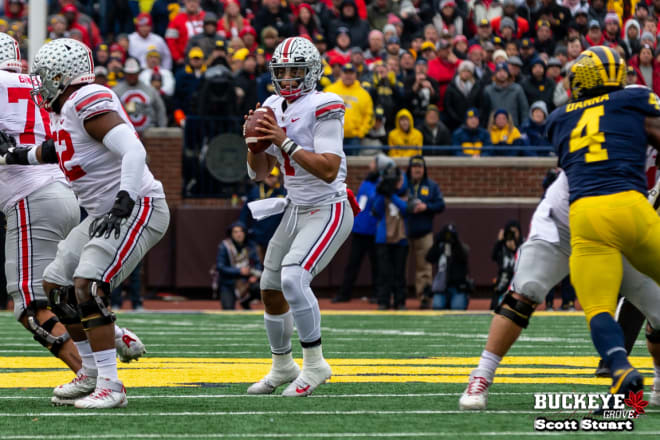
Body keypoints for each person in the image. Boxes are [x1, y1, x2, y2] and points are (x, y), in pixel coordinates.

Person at [0, 38, 170, 408]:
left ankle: (111, 384)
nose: (39, 84)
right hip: (100, 214)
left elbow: (134, 149)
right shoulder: (65, 113)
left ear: (62, 77)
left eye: (44, 77)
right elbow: (52, 151)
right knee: (55, 286)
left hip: (137, 206)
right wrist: (12, 155)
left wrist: (124, 199)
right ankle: (90, 372)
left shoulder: (86, 98)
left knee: (88, 285)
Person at [460, 168, 660, 410]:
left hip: (618, 231)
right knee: (527, 290)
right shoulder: (603, 133)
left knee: (658, 306)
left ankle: (658, 380)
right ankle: (481, 375)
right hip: (565, 222)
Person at [547, 46, 660, 401]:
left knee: (597, 307)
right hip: (631, 203)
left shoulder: (558, 117)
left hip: (586, 216)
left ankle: (618, 363)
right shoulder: (635, 97)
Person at [245, 36, 354, 397]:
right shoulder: (273, 105)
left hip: (328, 206)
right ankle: (281, 366)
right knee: (270, 288)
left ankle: (315, 364)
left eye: (295, 70)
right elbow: (259, 174)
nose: (288, 77)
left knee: (293, 279)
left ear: (312, 72)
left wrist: (283, 139)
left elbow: (327, 169)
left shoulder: (325, 104)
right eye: (283, 71)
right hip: (295, 207)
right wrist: (254, 145)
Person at [334, 154, 389, 303]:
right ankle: (344, 294)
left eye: (373, 162)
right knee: (352, 264)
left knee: (376, 266)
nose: (370, 165)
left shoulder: (382, 183)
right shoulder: (367, 182)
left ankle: (377, 294)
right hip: (359, 229)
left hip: (373, 231)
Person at [404, 155, 445, 308]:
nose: (417, 169)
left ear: (424, 169)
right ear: (410, 169)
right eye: (414, 167)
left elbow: (441, 204)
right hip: (404, 231)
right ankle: (400, 298)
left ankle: (424, 298)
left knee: (425, 268)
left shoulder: (431, 185)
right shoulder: (404, 184)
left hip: (424, 232)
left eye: (420, 167)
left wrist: (426, 207)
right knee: (400, 266)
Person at [372, 163, 408, 310]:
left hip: (401, 238)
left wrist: (392, 195)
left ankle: (400, 301)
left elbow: (406, 209)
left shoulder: (405, 193)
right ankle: (383, 300)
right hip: (383, 238)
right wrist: (383, 194)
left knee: (400, 272)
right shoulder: (382, 195)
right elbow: (376, 211)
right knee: (384, 272)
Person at [239, 166, 287, 261]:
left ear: (277, 177)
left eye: (273, 176)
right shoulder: (255, 191)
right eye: (268, 176)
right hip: (257, 234)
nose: (271, 179)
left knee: (273, 262)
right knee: (257, 262)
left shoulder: (282, 192)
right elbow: (246, 211)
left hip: (275, 233)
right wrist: (243, 227)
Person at [324, 63, 373, 151]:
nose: (348, 76)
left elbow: (369, 115)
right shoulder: (329, 90)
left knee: (352, 164)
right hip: (332, 136)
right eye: (346, 73)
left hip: (354, 138)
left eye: (351, 73)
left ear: (356, 75)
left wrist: (360, 132)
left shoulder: (364, 94)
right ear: (341, 74)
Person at [216, 222, 263, 310]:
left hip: (246, 282)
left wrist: (255, 276)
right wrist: (239, 271)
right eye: (236, 232)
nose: (239, 234)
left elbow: (258, 264)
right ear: (231, 234)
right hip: (229, 283)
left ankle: (245, 301)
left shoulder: (251, 245)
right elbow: (220, 266)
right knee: (228, 310)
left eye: (241, 232)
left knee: (260, 288)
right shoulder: (225, 246)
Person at [113, 58, 167, 134]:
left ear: (138, 73)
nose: (131, 76)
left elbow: (160, 109)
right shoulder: (116, 91)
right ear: (125, 73)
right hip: (126, 134)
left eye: (134, 73)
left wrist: (162, 129)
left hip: (149, 132)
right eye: (129, 74)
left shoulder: (150, 90)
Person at [426, 223, 470, 310]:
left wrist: (455, 242)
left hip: (457, 287)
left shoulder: (461, 248)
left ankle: (464, 298)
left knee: (457, 307)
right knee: (437, 306)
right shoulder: (440, 247)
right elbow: (429, 258)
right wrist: (437, 241)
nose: (448, 237)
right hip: (441, 287)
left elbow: (463, 257)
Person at [490, 220, 521, 309]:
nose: (512, 235)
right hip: (503, 280)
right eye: (510, 232)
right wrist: (498, 241)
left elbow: (524, 262)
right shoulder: (502, 245)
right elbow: (493, 257)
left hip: (517, 281)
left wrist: (515, 249)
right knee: (495, 308)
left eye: (514, 232)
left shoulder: (523, 244)